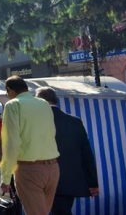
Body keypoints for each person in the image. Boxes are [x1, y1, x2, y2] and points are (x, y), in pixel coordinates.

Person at [0, 76, 60, 215]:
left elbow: (11, 144)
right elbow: (52, 132)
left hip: (29, 169)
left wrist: (6, 177)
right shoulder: (44, 103)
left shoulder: (13, 105)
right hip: (53, 168)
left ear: (10, 90)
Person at [35, 87, 99, 215]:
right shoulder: (75, 121)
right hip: (70, 180)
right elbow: (86, 154)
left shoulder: (35, 123)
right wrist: (93, 183)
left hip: (44, 179)